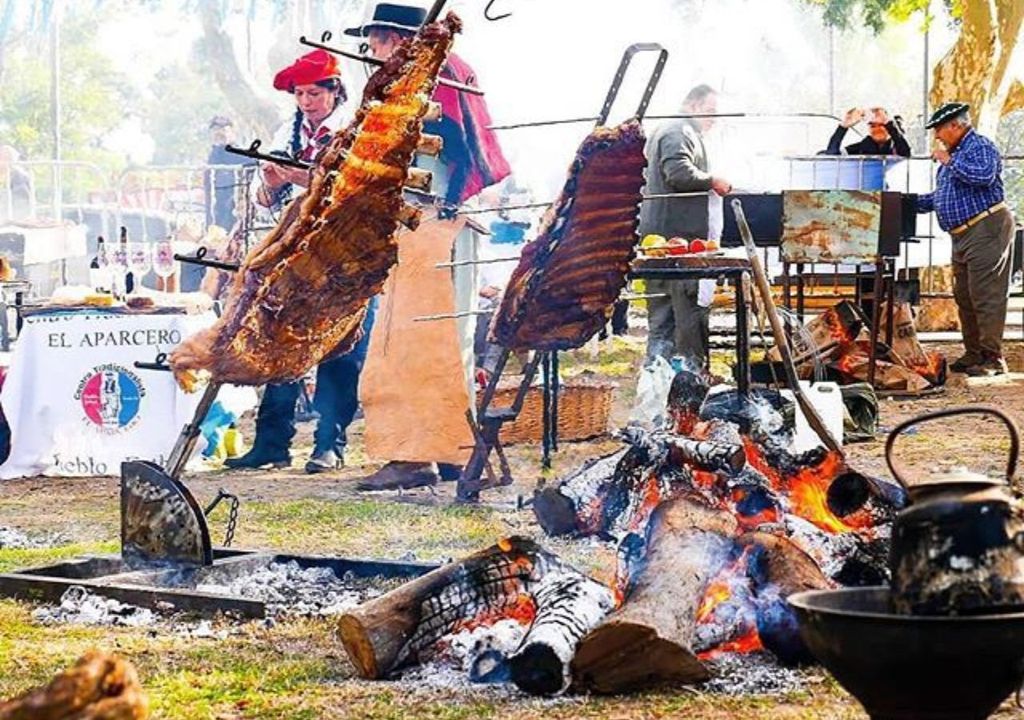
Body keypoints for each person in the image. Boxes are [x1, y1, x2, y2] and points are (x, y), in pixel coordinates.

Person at [345, 1, 511, 491]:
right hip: (430, 225)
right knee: (437, 343)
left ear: (394, 40)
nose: (371, 52)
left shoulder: (433, 75)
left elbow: (443, 147)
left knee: (414, 344)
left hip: (432, 221)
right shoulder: (435, 71)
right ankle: (447, 449)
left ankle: (415, 456)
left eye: (374, 41)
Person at [226, 48, 363, 472]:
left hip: (345, 250)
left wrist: (306, 178)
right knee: (279, 337)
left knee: (339, 345)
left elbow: (353, 187)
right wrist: (270, 181)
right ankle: (272, 441)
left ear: (334, 93)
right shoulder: (288, 132)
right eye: (301, 94)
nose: (307, 102)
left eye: (314, 94)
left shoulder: (355, 128)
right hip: (295, 250)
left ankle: (329, 443)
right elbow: (263, 196)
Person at [916, 102, 1016, 377]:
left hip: (986, 226)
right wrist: (909, 203)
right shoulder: (955, 156)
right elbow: (941, 198)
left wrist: (949, 161)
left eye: (939, 129)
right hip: (962, 234)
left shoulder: (979, 147)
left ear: (956, 125)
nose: (937, 135)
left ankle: (992, 358)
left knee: (986, 294)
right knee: (965, 295)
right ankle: (974, 353)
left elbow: (984, 176)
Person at [640, 84, 731, 367]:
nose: (714, 118)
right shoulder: (678, 131)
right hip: (676, 243)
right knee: (685, 320)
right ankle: (689, 382)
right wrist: (713, 180)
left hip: (664, 240)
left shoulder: (674, 130)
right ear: (691, 105)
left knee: (662, 322)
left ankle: (658, 389)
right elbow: (678, 173)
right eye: (709, 111)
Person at [204, 116, 254, 233]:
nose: (219, 133)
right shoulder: (215, 152)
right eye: (216, 130)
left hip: (233, 198)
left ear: (232, 132)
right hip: (216, 197)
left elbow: (251, 163)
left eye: (224, 129)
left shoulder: (237, 152)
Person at [823, 106, 911, 157]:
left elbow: (906, 153)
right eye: (872, 126)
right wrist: (843, 127)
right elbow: (832, 156)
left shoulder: (897, 146)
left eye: (881, 125)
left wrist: (888, 123)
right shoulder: (861, 147)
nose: (877, 129)